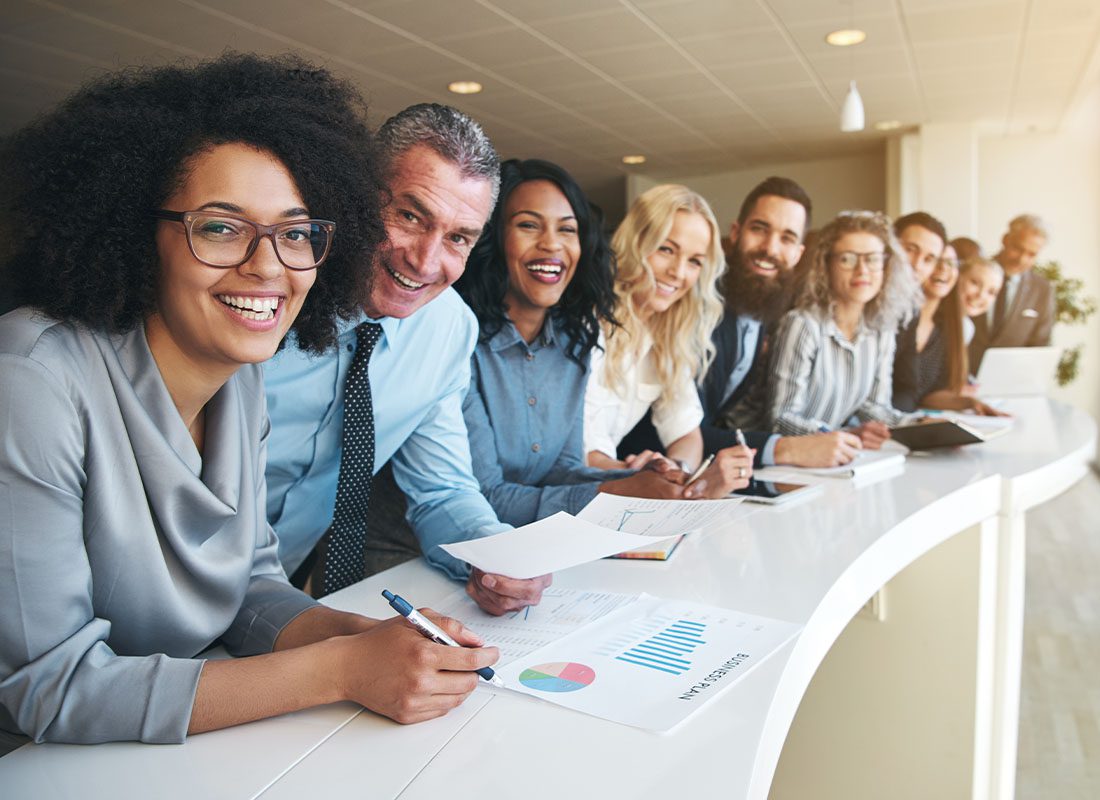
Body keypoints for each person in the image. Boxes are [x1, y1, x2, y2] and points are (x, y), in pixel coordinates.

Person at [0, 54, 497, 755]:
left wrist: (356, 636)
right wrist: (339, 668)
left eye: (294, 233)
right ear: (139, 230)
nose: (266, 266)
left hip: (165, 737)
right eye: (221, 227)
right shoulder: (30, 378)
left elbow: (249, 582)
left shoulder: (236, 376)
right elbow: (46, 687)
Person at [263, 103, 549, 615]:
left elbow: (441, 491)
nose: (425, 261)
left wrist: (493, 553)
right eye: (411, 216)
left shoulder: (448, 329)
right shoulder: (266, 294)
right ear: (357, 196)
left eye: (458, 237)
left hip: (273, 599)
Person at [455, 159, 694, 527]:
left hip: (521, 547)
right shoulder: (462, 343)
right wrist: (615, 492)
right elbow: (484, 495)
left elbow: (562, 469)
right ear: (494, 237)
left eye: (567, 230)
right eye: (528, 225)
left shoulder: (573, 344)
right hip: (421, 556)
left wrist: (649, 479)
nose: (551, 244)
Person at [623, 176, 863, 468]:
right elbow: (674, 429)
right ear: (735, 233)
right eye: (759, 229)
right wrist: (786, 449)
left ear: (798, 253)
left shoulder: (763, 309)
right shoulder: (687, 304)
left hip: (684, 468)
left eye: (786, 238)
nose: (770, 249)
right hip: (632, 465)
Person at [583, 184, 752, 494]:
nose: (678, 272)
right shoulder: (585, 323)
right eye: (666, 249)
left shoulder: (667, 335)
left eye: (694, 261)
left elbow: (687, 435)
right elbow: (579, 454)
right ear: (636, 242)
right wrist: (649, 472)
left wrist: (679, 468)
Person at [765, 211, 921, 442]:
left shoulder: (882, 330)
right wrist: (842, 435)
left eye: (873, 259)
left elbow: (874, 408)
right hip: (791, 460)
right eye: (847, 259)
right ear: (826, 265)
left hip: (836, 457)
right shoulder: (802, 325)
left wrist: (921, 424)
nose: (862, 270)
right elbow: (781, 420)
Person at [893, 239, 1003, 415]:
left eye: (992, 292)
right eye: (974, 283)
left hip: (909, 420)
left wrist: (970, 402)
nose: (981, 295)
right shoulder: (903, 318)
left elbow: (928, 394)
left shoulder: (955, 329)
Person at [968, 214, 1055, 368]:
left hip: (1010, 380)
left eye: (1031, 254)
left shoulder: (1042, 290)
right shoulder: (971, 272)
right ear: (1005, 239)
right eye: (1018, 248)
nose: (1022, 259)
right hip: (958, 377)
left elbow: (1040, 346)